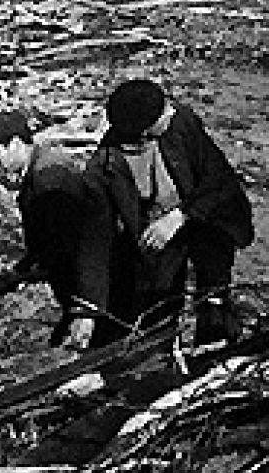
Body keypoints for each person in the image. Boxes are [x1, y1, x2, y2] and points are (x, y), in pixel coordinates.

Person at [82, 78, 254, 347]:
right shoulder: (102, 170)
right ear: (143, 131)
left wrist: (180, 216)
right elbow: (95, 241)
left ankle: (218, 344)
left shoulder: (182, 124)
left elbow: (219, 180)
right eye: (163, 112)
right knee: (157, 311)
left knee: (214, 297)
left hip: (206, 221)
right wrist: (88, 309)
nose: (171, 111)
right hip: (156, 241)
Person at [0, 110, 116, 350]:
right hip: (83, 291)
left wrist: (88, 310)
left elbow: (86, 244)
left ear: (16, 143)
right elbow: (49, 242)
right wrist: (19, 272)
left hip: (95, 293)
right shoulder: (39, 173)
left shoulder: (51, 180)